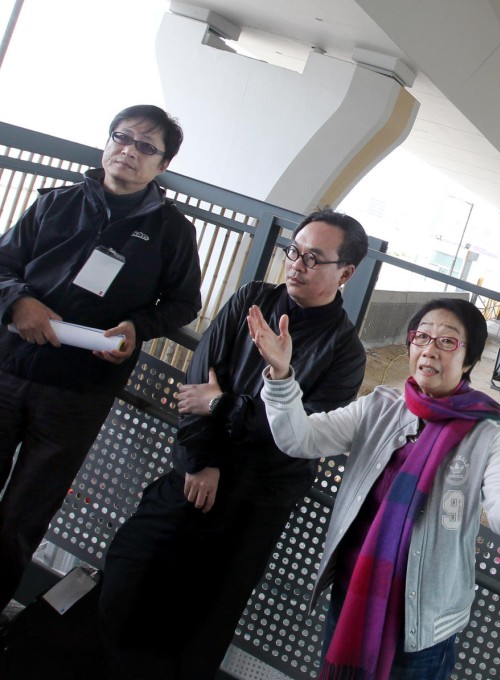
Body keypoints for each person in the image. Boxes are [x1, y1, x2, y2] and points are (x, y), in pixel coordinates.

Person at [98, 210, 370, 679]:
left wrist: (223, 404)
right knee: (126, 579)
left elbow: (298, 436)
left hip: (255, 503)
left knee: (200, 629)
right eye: (294, 251)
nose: (296, 264)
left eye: (313, 258)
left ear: (345, 273)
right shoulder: (253, 299)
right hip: (191, 477)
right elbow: (196, 383)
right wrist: (202, 460)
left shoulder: (345, 352)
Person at [249, 297, 500, 680]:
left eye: (447, 341)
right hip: (352, 596)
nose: (430, 349)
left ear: (468, 360)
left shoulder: (489, 434)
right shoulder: (380, 407)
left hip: (423, 627)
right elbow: (299, 438)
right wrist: (282, 374)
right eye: (422, 337)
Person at [0, 104, 202, 611]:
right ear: (107, 142)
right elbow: (3, 264)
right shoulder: (57, 202)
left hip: (78, 392)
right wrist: (18, 301)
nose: (129, 151)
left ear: (163, 165)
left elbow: (183, 303)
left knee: (24, 515)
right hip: (8, 368)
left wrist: (137, 327)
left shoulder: (172, 231)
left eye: (146, 146)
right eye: (122, 137)